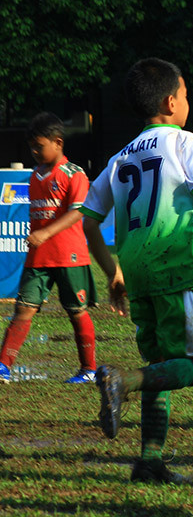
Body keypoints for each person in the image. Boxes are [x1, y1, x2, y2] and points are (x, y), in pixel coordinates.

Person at [80, 58, 193, 484]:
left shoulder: (120, 157)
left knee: (160, 363)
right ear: (170, 102)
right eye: (185, 95)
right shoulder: (184, 142)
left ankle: (150, 462)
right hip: (170, 266)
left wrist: (112, 272)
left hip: (135, 272)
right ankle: (123, 381)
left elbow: (89, 221)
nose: (188, 103)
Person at [0, 112, 97, 384]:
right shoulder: (35, 176)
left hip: (69, 255)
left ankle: (89, 370)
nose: (34, 151)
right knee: (23, 309)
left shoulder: (74, 174)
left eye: (39, 146)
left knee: (76, 311)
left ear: (58, 142)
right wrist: (39, 236)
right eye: (31, 147)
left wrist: (45, 233)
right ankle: (3, 366)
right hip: (38, 257)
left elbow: (77, 212)